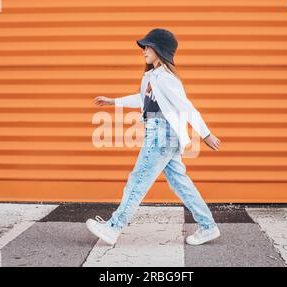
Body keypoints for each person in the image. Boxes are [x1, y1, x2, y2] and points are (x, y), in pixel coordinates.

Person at [90, 28, 222, 246]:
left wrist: (206, 133)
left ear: (159, 50)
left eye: (148, 46)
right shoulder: (152, 76)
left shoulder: (167, 79)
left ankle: (113, 228)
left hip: (162, 134)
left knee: (137, 180)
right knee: (181, 184)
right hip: (163, 134)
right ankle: (208, 226)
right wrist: (113, 101)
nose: (144, 50)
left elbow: (186, 106)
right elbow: (143, 100)